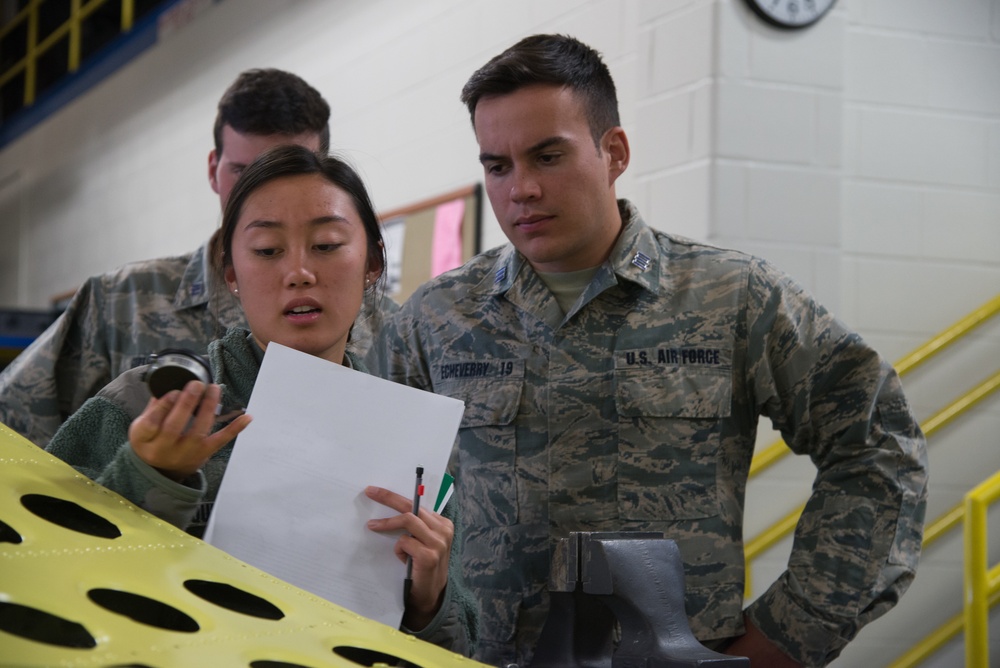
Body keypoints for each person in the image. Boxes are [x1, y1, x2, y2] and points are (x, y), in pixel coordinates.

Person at [369, 34, 928, 667]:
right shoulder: (438, 317)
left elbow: (879, 447)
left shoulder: (731, 296)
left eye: (547, 157)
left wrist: (787, 636)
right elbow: (367, 493)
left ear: (614, 153)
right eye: (498, 166)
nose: (520, 188)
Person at [45, 145, 477, 654]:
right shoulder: (147, 407)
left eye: (327, 244)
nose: (299, 273)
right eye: (268, 250)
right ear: (232, 274)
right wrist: (149, 476)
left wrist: (431, 601)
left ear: (373, 263)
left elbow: (459, 646)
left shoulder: (408, 439)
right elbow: (46, 568)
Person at [0, 68, 394, 447]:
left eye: (288, 167)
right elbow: (13, 424)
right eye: (244, 171)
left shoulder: (390, 329)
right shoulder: (123, 302)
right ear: (213, 169)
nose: (265, 188)